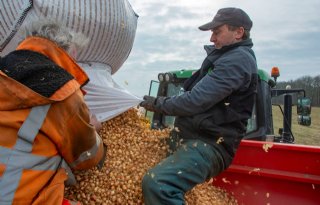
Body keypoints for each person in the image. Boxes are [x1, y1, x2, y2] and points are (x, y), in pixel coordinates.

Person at [140, 7, 258, 205]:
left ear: (239, 32)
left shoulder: (238, 60)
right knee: (141, 158)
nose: (212, 38)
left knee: (158, 184)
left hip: (209, 143)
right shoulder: (224, 57)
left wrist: (156, 104)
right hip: (191, 137)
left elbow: (195, 100)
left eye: (217, 32)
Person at [0, 20, 106, 204]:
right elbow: (86, 157)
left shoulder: (4, 67)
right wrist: (94, 129)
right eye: (75, 59)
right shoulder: (63, 92)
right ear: (66, 53)